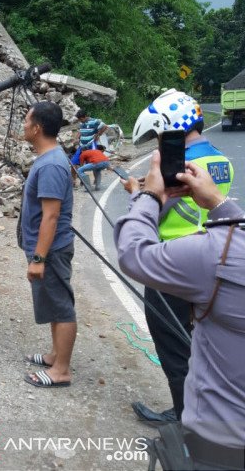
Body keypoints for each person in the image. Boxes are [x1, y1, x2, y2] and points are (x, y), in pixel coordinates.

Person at [115, 153, 245, 470]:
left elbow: (133, 254)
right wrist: (218, 203)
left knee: (173, 349)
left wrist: (146, 197)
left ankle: (178, 411)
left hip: (220, 445)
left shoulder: (221, 252)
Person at [126, 89, 234, 424]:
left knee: (172, 344)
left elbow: (151, 212)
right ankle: (202, 410)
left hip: (172, 264)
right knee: (200, 341)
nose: (159, 140)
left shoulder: (181, 167)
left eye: (160, 133)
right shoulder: (218, 160)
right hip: (210, 261)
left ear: (170, 128)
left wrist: (139, 194)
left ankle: (183, 418)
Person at [20, 101, 77, 388]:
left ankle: (61, 371)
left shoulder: (53, 164)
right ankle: (56, 355)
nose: (23, 125)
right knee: (54, 304)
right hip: (47, 249)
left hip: (51, 250)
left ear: (37, 128)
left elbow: (51, 216)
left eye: (26, 121)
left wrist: (39, 258)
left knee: (61, 305)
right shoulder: (48, 158)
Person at [70, 109, 107, 183]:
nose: (81, 121)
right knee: (73, 162)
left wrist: (98, 134)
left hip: (91, 145)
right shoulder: (81, 124)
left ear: (85, 116)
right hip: (82, 146)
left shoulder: (94, 121)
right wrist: (76, 139)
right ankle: (74, 181)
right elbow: (80, 131)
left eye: (81, 119)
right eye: (79, 119)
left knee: (94, 163)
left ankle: (96, 180)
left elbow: (104, 126)